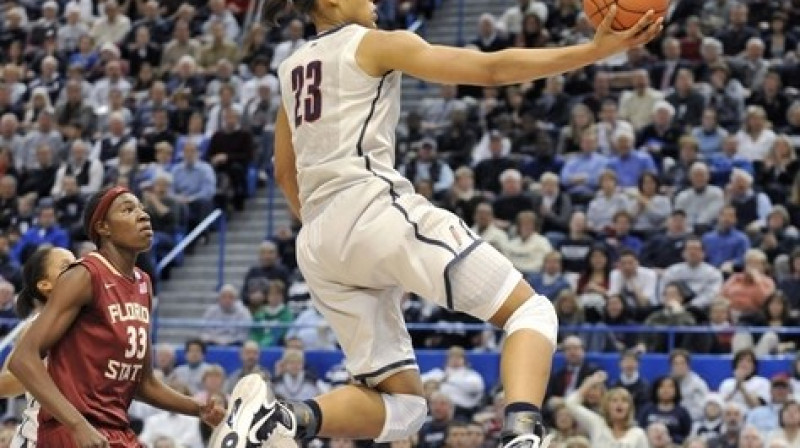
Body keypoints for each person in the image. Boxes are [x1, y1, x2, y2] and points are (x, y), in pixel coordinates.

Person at [216, 1, 662, 447]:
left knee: (406, 410)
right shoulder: (374, 44)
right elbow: (488, 70)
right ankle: (522, 435)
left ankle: (277, 420)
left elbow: (282, 171)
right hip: (371, 207)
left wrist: (331, 230)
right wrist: (593, 49)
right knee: (531, 311)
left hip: (316, 241)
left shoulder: (292, 69)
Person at [8, 187, 225, 447]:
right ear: (103, 227)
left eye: (142, 209)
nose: (143, 216)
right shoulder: (85, 275)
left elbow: (145, 384)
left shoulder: (143, 284)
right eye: (128, 209)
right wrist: (77, 425)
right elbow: (22, 359)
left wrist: (199, 410)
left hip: (115, 428)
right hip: (73, 430)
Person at [0, 247, 76, 447]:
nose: (78, 268)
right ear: (45, 285)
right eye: (67, 266)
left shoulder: (93, 322)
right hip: (39, 438)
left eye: (77, 262)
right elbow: (7, 383)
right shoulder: (37, 326)